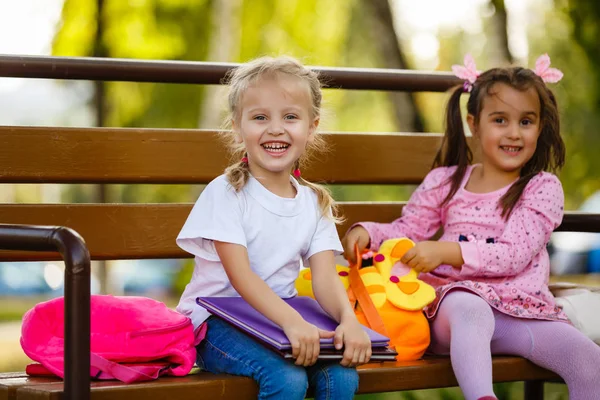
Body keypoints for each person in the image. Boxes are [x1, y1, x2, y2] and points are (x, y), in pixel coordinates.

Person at [342, 54, 600, 400]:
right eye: (500, 120)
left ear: (540, 127)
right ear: (474, 123)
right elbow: (409, 228)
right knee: (471, 307)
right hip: (454, 312)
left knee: (589, 361)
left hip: (522, 311)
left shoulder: (541, 187)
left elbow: (514, 255)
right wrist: (371, 233)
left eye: (526, 121)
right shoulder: (446, 182)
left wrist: (447, 251)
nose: (513, 133)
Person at [176, 55, 371, 400]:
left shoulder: (314, 202)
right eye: (260, 117)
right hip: (215, 323)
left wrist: (348, 319)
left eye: (291, 117)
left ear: (311, 127)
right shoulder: (226, 193)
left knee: (341, 376)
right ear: (237, 126)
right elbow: (241, 277)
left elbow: (325, 277)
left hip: (280, 321)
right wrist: (291, 322)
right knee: (287, 378)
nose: (276, 128)